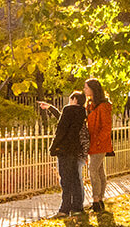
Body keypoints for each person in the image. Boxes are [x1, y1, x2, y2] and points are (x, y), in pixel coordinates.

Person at [42, 91, 87, 216]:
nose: (69, 101)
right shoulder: (82, 112)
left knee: (65, 180)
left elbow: (61, 129)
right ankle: (77, 207)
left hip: (64, 149)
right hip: (75, 148)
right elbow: (65, 120)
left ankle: (64, 209)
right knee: (75, 178)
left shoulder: (68, 110)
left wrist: (53, 147)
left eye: (70, 99)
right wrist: (50, 108)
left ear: (75, 99)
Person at [83, 78, 114, 212]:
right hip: (93, 142)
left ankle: (96, 199)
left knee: (93, 170)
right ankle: (100, 200)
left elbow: (106, 127)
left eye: (86, 87)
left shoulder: (104, 106)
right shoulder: (90, 104)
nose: (84, 90)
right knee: (100, 171)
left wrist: (98, 141)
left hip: (100, 144)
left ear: (93, 89)